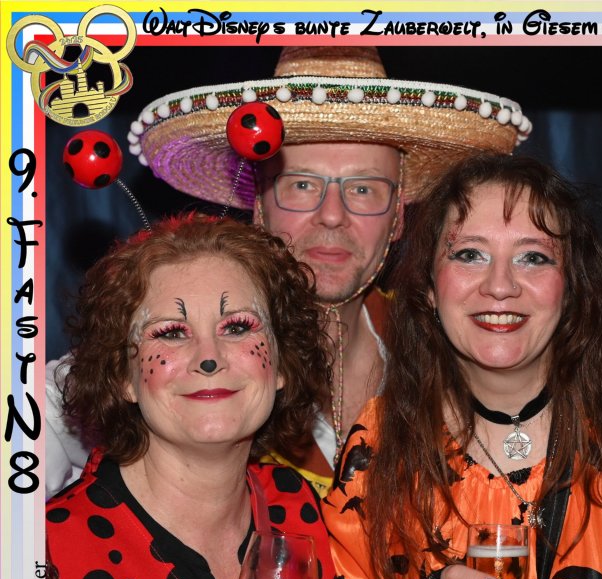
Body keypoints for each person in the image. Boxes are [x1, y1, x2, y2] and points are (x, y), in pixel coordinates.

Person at [46, 47, 528, 498]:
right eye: (301, 186)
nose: (333, 216)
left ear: (398, 217)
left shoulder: (450, 344)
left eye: (363, 189)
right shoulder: (170, 365)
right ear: (258, 206)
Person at [322, 154, 602, 579]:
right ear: (430, 289)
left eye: (533, 258)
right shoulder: (379, 442)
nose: (500, 286)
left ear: (572, 287)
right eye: (470, 255)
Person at [46, 216, 340, 579]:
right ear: (123, 376)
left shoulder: (298, 507)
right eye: (171, 332)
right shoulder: (48, 553)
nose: (209, 358)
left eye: (237, 327)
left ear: (281, 362)